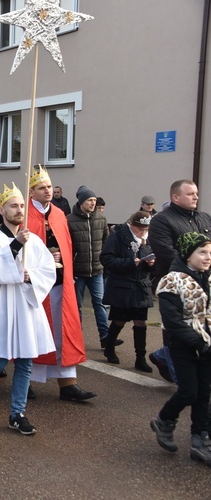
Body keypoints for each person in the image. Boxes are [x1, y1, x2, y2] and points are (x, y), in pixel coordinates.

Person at [0, 183, 56, 435]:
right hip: (2, 306)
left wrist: (31, 277)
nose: (19, 210)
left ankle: (17, 413)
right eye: (13, 206)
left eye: (21, 206)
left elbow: (47, 269)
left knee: (25, 360)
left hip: (25, 305)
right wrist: (15, 246)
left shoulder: (34, 240)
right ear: (2, 209)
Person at [26, 166, 95, 402]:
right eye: (42, 188)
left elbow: (67, 245)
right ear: (31, 192)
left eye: (49, 186)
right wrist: (44, 255)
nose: (48, 191)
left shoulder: (58, 214)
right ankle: (25, 381)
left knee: (63, 330)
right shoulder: (24, 214)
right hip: (34, 287)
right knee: (35, 332)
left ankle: (68, 384)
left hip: (59, 283)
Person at [150, 232, 211, 465]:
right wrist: (198, 343)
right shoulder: (172, 280)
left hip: (207, 345)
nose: (207, 257)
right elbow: (173, 320)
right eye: (202, 252)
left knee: (204, 394)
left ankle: (200, 439)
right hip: (184, 345)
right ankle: (164, 420)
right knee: (189, 391)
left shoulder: (208, 277)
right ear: (188, 255)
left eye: (210, 253)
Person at [148, 180, 211, 380]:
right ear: (176, 197)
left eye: (196, 193)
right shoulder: (161, 220)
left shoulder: (204, 218)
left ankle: (162, 356)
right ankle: (181, 376)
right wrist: (192, 267)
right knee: (176, 327)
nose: (196, 197)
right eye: (191, 193)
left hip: (204, 282)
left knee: (201, 325)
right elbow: (165, 252)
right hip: (176, 284)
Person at [100, 211, 155, 371]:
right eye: (140, 230)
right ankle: (109, 348)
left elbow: (154, 261)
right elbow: (106, 259)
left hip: (141, 285)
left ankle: (140, 358)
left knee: (140, 322)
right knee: (119, 320)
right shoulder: (117, 236)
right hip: (123, 285)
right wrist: (130, 262)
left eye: (146, 230)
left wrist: (151, 264)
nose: (143, 233)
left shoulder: (148, 238)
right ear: (132, 226)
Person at [67, 186, 110, 346]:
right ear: (81, 202)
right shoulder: (70, 219)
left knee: (100, 303)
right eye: (89, 200)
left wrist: (104, 260)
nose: (93, 203)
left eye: (94, 200)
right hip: (78, 271)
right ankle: (77, 338)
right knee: (76, 306)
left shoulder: (100, 218)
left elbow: (106, 240)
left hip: (97, 270)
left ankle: (105, 338)